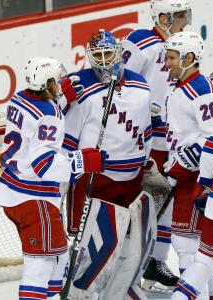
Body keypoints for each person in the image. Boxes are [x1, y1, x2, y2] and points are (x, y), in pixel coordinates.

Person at [0, 57, 106, 300]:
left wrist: (61, 98)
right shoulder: (50, 114)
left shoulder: (19, 97)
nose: (62, 82)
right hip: (34, 198)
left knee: (58, 263)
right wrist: (81, 162)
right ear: (47, 83)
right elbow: (42, 163)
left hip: (12, 192)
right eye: (58, 80)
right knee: (41, 266)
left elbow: (32, 127)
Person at [61, 29, 158, 298]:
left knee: (128, 240)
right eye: (98, 56)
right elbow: (66, 138)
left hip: (131, 179)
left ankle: (121, 288)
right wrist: (66, 176)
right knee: (88, 243)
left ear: (119, 54)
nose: (104, 62)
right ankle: (78, 292)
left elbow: (146, 131)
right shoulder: (79, 86)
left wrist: (148, 163)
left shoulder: (140, 85)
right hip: (94, 179)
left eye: (108, 54)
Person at [121, 0, 192, 291]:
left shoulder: (183, 46)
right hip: (144, 139)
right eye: (178, 16)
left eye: (185, 15)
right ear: (162, 17)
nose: (184, 22)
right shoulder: (141, 41)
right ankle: (124, 265)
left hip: (171, 139)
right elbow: (116, 80)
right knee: (138, 203)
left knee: (167, 202)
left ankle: (155, 264)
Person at [162, 31, 213, 299]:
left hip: (199, 179)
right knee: (200, 249)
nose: (168, 63)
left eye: (173, 57)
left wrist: (184, 165)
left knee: (189, 245)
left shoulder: (201, 90)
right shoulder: (181, 88)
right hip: (186, 178)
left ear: (188, 57)